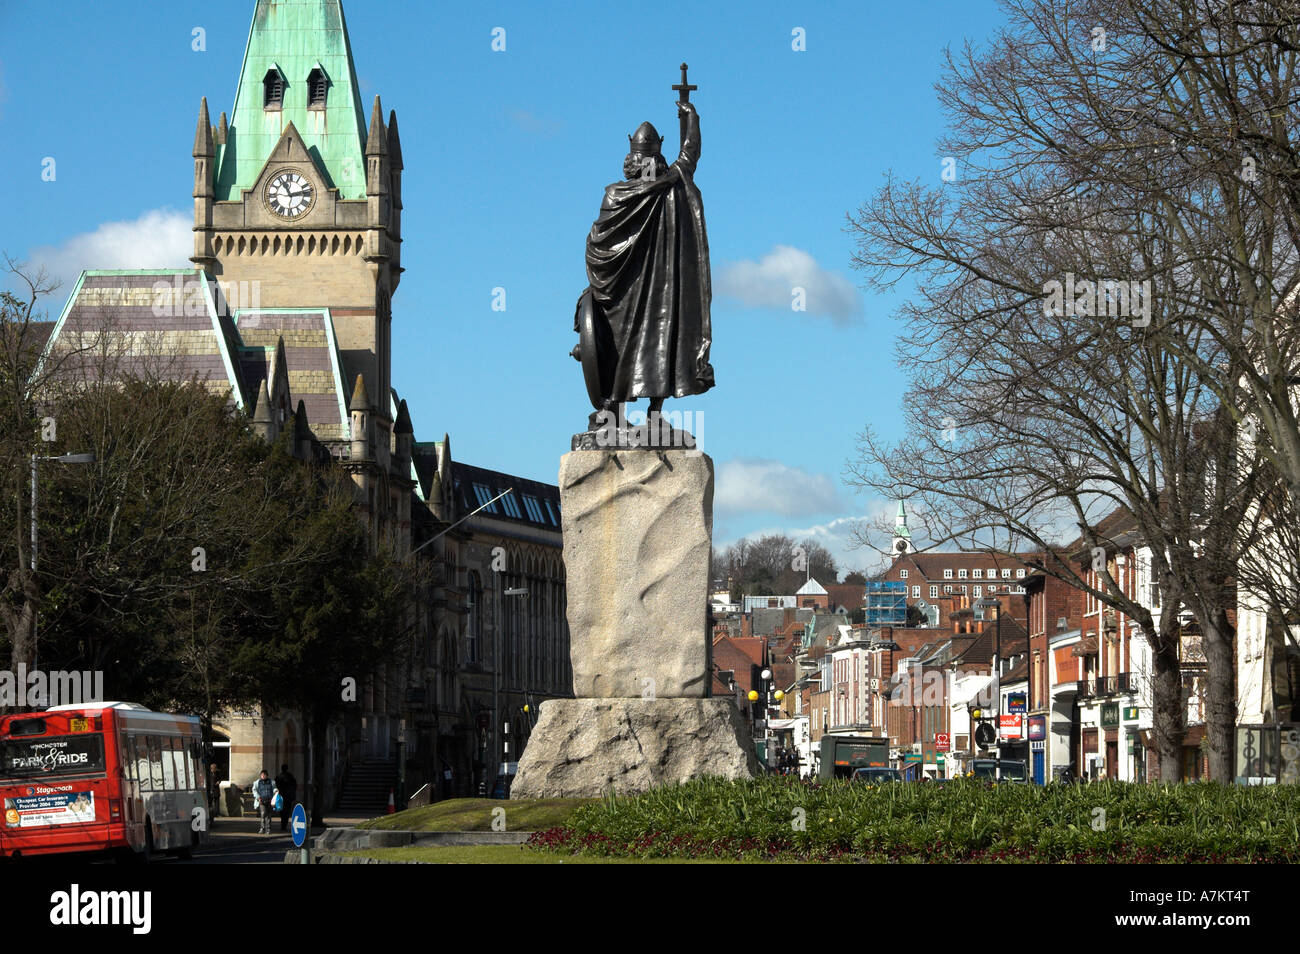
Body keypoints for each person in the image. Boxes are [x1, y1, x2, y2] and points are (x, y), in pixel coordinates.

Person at [275, 763, 298, 832]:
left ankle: (283, 824)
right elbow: (295, 786)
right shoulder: (290, 776)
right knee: (287, 811)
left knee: (282, 811)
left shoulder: (279, 776)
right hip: (288, 797)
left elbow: (276, 786)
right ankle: (284, 824)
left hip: (282, 796)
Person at [252, 769, 276, 834]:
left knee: (269, 816)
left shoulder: (272, 782)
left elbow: (274, 788)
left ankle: (268, 829)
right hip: (262, 801)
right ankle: (262, 828)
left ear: (267, 775)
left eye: (264, 775)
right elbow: (254, 790)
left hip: (270, 801)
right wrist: (258, 797)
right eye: (262, 775)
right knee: (263, 814)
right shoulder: (257, 782)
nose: (263, 776)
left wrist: (276, 791)